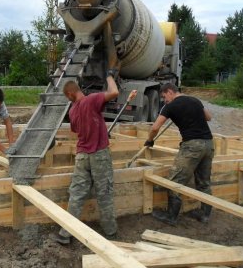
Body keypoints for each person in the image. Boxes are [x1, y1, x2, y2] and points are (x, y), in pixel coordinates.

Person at [53, 72, 135, 244]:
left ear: (70, 94)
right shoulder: (90, 100)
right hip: (99, 154)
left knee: (76, 194)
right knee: (104, 193)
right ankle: (111, 233)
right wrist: (110, 76)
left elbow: (75, 131)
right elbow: (113, 93)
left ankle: (65, 233)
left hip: (82, 156)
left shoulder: (73, 110)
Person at [145, 83, 214, 225]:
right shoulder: (195, 100)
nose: (164, 100)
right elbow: (208, 117)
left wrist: (149, 140)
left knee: (174, 180)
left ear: (170, 91)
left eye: (164, 97)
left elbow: (155, 127)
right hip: (208, 144)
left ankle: (171, 216)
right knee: (204, 181)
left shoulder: (170, 106)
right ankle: (205, 214)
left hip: (192, 146)